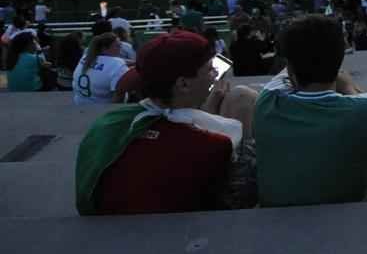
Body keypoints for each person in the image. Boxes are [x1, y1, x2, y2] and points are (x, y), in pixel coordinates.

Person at [75, 31, 260, 215]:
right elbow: (242, 196)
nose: (215, 76)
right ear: (183, 84)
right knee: (243, 98)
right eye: (210, 70)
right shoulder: (214, 145)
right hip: (178, 235)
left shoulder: (107, 123)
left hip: (109, 227)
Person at [255, 15, 367, 206]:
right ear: (339, 60)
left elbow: (295, 62)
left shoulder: (267, 101)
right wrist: (349, 87)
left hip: (278, 210)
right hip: (353, 207)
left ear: (289, 66)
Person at [74, 34, 131, 106]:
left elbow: (107, 62)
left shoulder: (85, 58)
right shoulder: (118, 64)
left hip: (80, 104)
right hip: (101, 109)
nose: (120, 48)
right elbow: (119, 97)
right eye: (117, 46)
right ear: (104, 49)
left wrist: (133, 62)